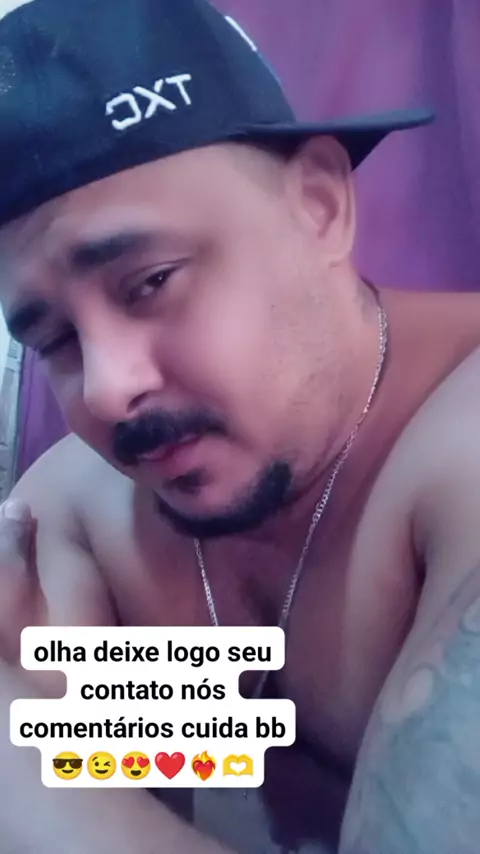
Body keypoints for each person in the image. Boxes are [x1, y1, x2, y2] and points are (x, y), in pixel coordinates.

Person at [0, 0, 479, 852]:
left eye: (151, 282)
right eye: (56, 340)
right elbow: (159, 767)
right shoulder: (81, 520)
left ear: (320, 205)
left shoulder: (461, 440)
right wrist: (71, 731)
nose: (107, 392)